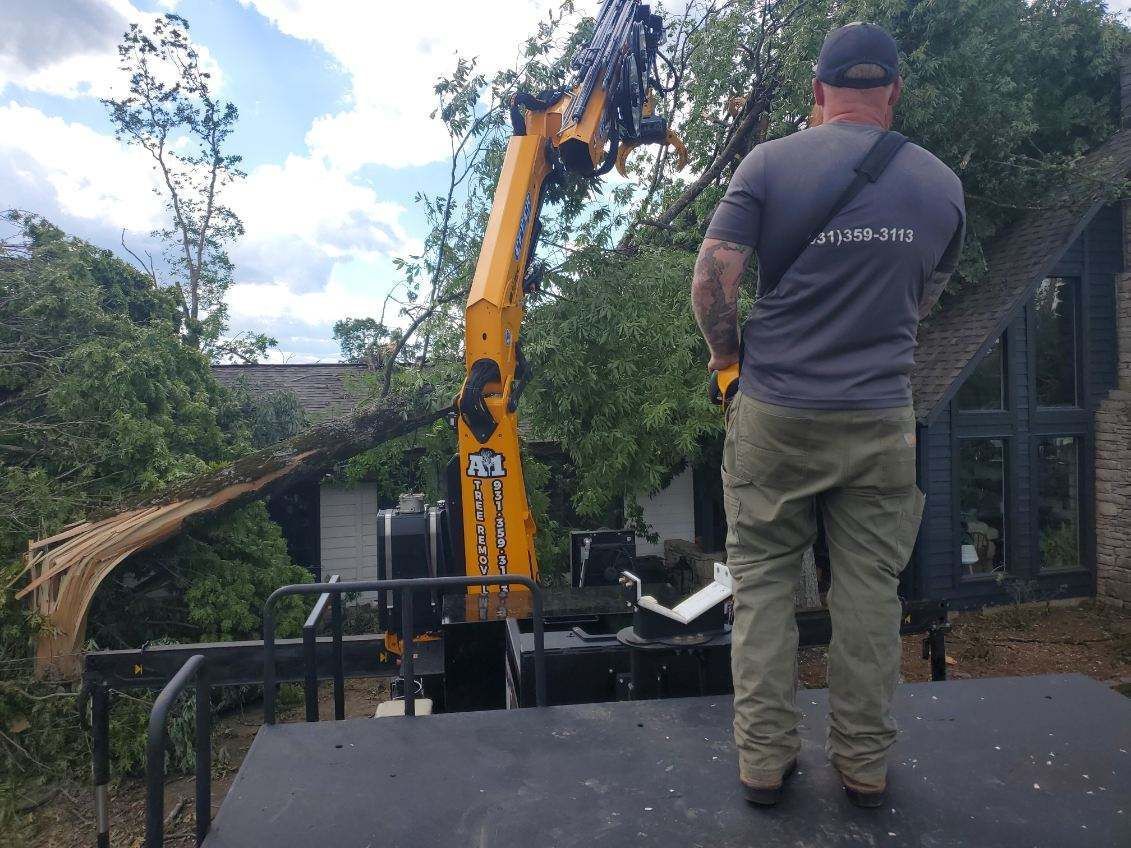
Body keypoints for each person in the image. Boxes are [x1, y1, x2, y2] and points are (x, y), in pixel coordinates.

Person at [690, 22, 965, 808]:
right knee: (870, 596)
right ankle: (864, 766)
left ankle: (763, 763)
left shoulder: (770, 163)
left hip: (774, 412)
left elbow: (712, 283)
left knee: (766, 587)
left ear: (817, 92)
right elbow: (925, 300)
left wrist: (725, 361)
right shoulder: (941, 184)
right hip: (879, 418)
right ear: (894, 94)